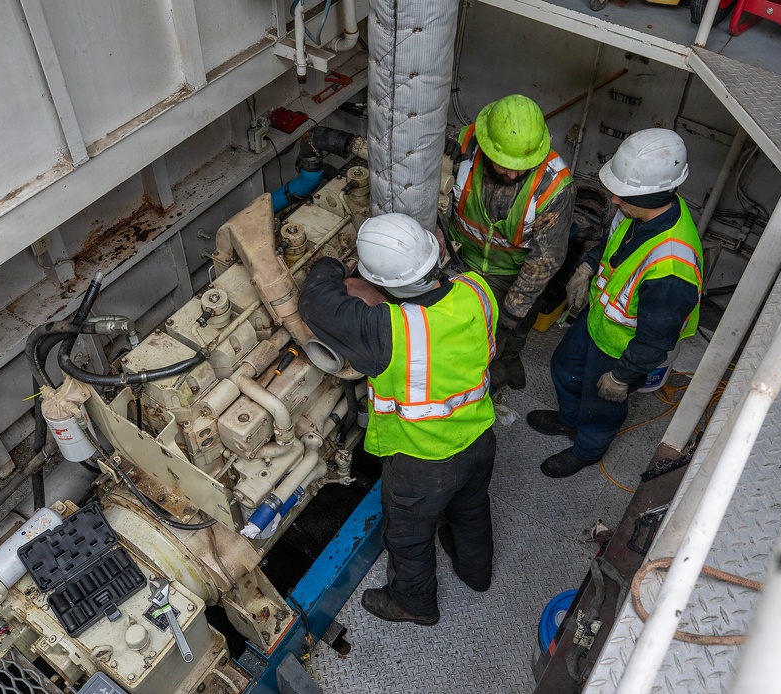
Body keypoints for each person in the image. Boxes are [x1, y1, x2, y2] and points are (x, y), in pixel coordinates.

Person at [298, 213, 498, 626]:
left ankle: (414, 603)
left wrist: (334, 263)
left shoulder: (391, 330)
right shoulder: (478, 288)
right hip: (479, 435)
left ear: (380, 284)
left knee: (408, 534)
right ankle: (476, 573)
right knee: (472, 507)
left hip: (424, 459)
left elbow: (315, 301)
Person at [527, 129, 703, 478]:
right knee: (565, 365)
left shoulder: (671, 266)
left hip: (623, 348)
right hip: (597, 322)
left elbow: (656, 339)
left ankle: (587, 448)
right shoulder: (638, 212)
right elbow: (612, 246)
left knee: (602, 403)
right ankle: (568, 419)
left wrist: (622, 377)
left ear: (654, 195)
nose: (614, 201)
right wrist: (587, 267)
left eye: (622, 195)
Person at [446, 94, 576, 390]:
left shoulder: (555, 186)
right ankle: (482, 371)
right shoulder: (462, 146)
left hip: (515, 273)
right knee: (467, 334)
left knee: (517, 323)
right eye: (505, 164)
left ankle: (510, 356)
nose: (514, 173)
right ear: (487, 145)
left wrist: (514, 308)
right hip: (458, 257)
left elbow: (545, 259)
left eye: (523, 165)